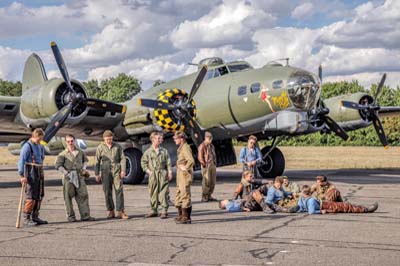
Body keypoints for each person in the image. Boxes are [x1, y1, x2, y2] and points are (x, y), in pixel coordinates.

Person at [54, 134, 95, 222]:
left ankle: (85, 216)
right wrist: (66, 173)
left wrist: (84, 169)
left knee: (83, 195)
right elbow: (58, 165)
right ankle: (71, 217)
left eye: (72, 141)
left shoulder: (80, 152)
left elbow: (85, 161)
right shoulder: (63, 154)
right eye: (68, 141)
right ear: (66, 142)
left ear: (74, 141)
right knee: (68, 197)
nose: (70, 143)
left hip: (79, 175)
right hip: (69, 177)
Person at [95, 130, 128, 219]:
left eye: (110, 139)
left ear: (112, 138)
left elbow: (123, 158)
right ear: (104, 139)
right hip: (105, 172)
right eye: (107, 139)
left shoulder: (117, 146)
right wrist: (97, 174)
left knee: (119, 190)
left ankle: (120, 211)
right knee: (107, 192)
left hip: (116, 170)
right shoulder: (100, 147)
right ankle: (110, 211)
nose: (109, 141)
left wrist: (123, 170)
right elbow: (97, 161)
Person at [18, 128, 48, 226]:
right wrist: (22, 175)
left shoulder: (40, 145)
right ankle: (26, 218)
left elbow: (42, 157)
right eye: (38, 139)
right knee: (31, 196)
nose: (40, 140)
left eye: (41, 139)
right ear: (34, 136)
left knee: (39, 195)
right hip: (30, 171)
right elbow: (21, 161)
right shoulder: (27, 147)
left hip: (39, 171)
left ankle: (35, 216)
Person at [141, 132, 172, 219]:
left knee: (163, 193)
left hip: (162, 173)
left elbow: (168, 162)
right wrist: (148, 171)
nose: (160, 140)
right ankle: (154, 210)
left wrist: (169, 172)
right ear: (153, 139)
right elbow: (143, 162)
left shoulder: (164, 151)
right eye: (158, 138)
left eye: (160, 138)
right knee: (153, 192)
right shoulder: (148, 152)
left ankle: (164, 211)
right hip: (153, 174)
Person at [297, 185, 378, 214]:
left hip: (324, 202)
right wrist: (321, 211)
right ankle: (366, 210)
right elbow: (311, 212)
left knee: (335, 192)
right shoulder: (311, 201)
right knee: (347, 207)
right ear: (308, 193)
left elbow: (300, 207)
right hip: (326, 206)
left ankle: (340, 204)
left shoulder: (301, 199)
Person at [173, 131, 195, 224]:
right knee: (179, 194)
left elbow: (191, 160)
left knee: (185, 195)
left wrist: (185, 168)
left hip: (184, 176)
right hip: (180, 176)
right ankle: (181, 215)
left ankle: (186, 217)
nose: (174, 140)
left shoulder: (185, 148)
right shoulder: (181, 148)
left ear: (181, 139)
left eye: (176, 138)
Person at [198, 131, 217, 202]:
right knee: (206, 181)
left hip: (212, 164)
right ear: (206, 138)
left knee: (213, 181)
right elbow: (200, 157)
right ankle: (204, 196)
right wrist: (203, 164)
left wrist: (214, 163)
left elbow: (213, 154)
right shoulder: (202, 146)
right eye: (209, 139)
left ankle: (209, 195)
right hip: (206, 165)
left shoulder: (212, 146)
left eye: (211, 139)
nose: (210, 140)